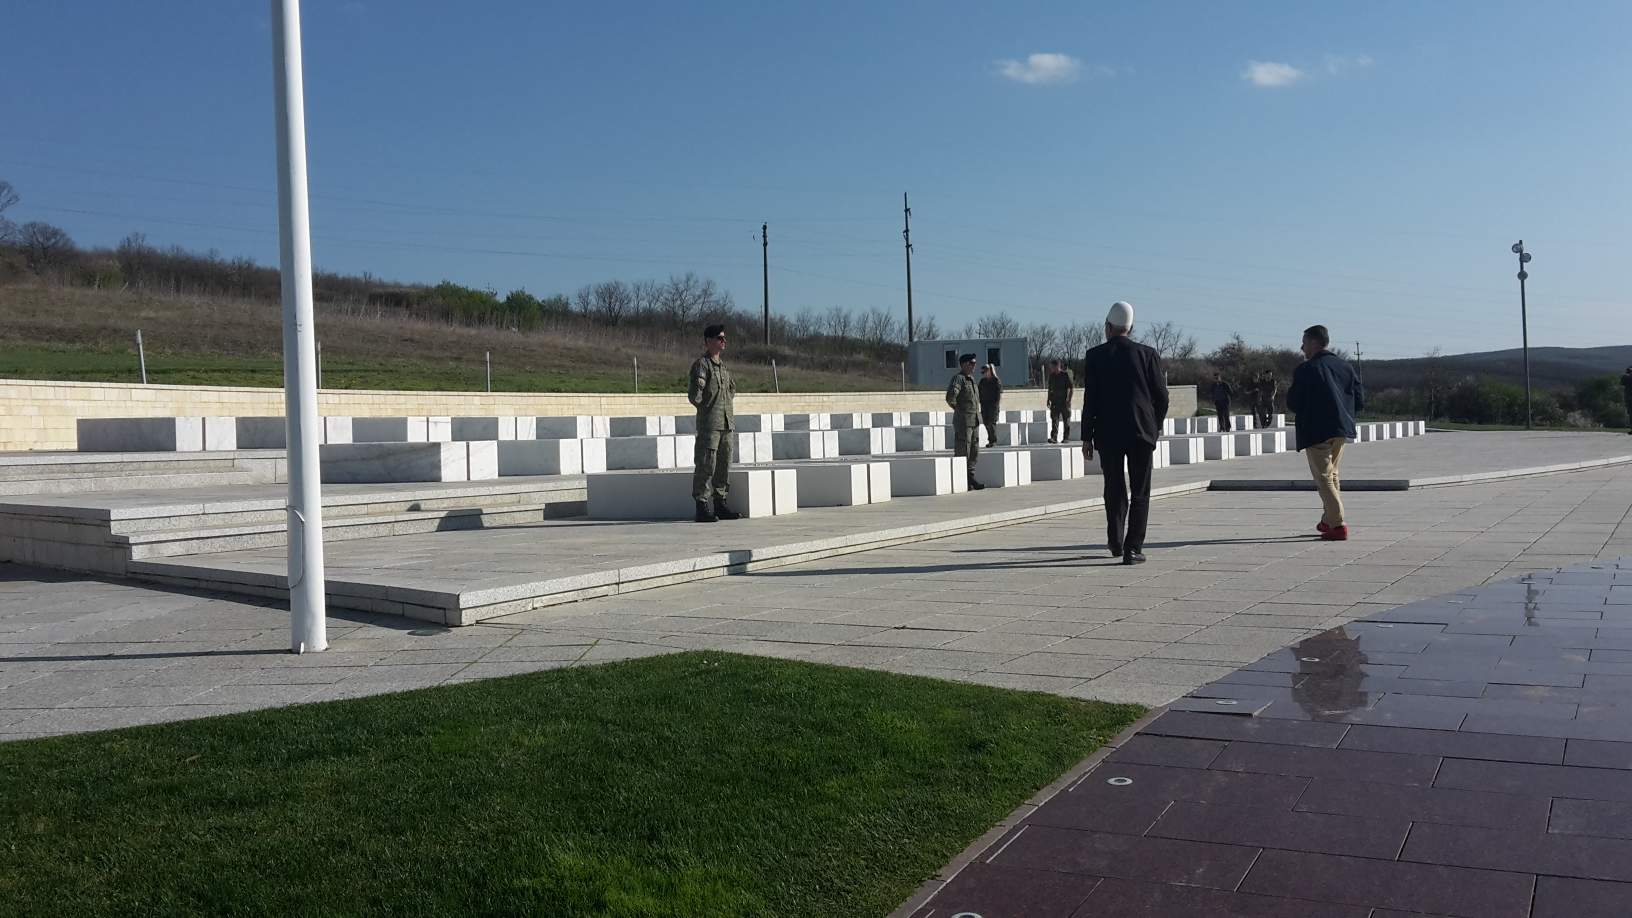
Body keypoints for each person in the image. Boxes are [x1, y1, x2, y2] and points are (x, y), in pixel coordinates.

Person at [1081, 301, 1168, 565]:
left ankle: (1116, 541)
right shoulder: (1147, 354)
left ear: (1108, 326)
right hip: (1141, 432)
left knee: (1114, 488)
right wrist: (1155, 425)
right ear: (1130, 328)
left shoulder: (1095, 355)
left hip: (1108, 434)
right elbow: (1162, 397)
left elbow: (1090, 399)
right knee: (1140, 491)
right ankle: (1133, 548)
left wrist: (1086, 436)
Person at [1287, 324, 1366, 541]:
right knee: (1332, 474)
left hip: (1316, 430)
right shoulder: (1345, 367)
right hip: (1341, 429)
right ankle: (1328, 520)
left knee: (1324, 478)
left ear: (1314, 343)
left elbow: (1293, 402)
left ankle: (1338, 524)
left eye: (1304, 342)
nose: (1301, 347)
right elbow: (1360, 400)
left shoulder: (1306, 369)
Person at [687, 323, 738, 523]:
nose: (723, 341)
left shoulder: (723, 367)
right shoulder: (702, 365)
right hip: (710, 424)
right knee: (706, 464)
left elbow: (731, 390)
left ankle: (720, 502)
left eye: (724, 338)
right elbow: (695, 396)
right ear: (709, 341)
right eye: (719, 338)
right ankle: (701, 505)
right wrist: (708, 408)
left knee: (724, 464)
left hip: (726, 423)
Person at [946, 353, 985, 490]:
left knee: (974, 451)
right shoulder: (959, 379)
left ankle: (970, 477)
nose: (974, 366)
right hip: (964, 422)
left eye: (975, 363)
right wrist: (959, 411)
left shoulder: (972, 380)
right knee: (963, 450)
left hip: (974, 421)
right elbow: (950, 397)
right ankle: (963, 478)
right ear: (963, 364)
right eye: (971, 363)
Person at [1046, 359, 1074, 443]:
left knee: (1066, 420)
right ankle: (1054, 437)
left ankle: (1066, 438)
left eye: (1052, 367)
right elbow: (1050, 389)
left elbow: (1071, 388)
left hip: (1064, 401)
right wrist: (1048, 399)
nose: (1051, 368)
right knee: (1054, 419)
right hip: (1055, 401)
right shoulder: (1052, 376)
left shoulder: (1065, 375)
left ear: (1057, 366)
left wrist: (1069, 400)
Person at [978, 364, 1003, 447]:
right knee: (986, 423)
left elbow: (998, 395)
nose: (984, 373)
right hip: (984, 405)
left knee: (991, 423)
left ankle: (993, 441)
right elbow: (978, 392)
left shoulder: (996, 381)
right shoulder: (982, 381)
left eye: (986, 371)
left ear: (990, 371)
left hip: (993, 406)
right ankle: (990, 440)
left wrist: (996, 405)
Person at [1622, 366, 1632, 434]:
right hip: (1629, 398)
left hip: (1629, 398)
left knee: (1631, 413)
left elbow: (1622, 382)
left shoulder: (1626, 377)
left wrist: (1628, 373)